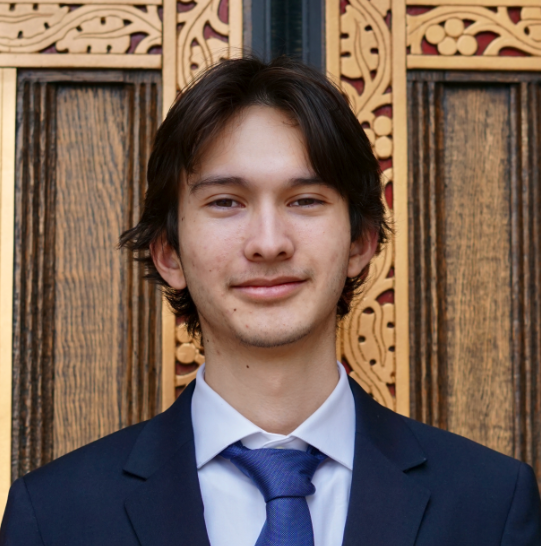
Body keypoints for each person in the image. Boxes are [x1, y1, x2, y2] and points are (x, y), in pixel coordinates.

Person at [1, 56, 540, 546]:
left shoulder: (490, 504)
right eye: (225, 202)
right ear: (168, 253)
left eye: (304, 200)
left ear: (360, 243)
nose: (268, 242)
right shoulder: (54, 517)